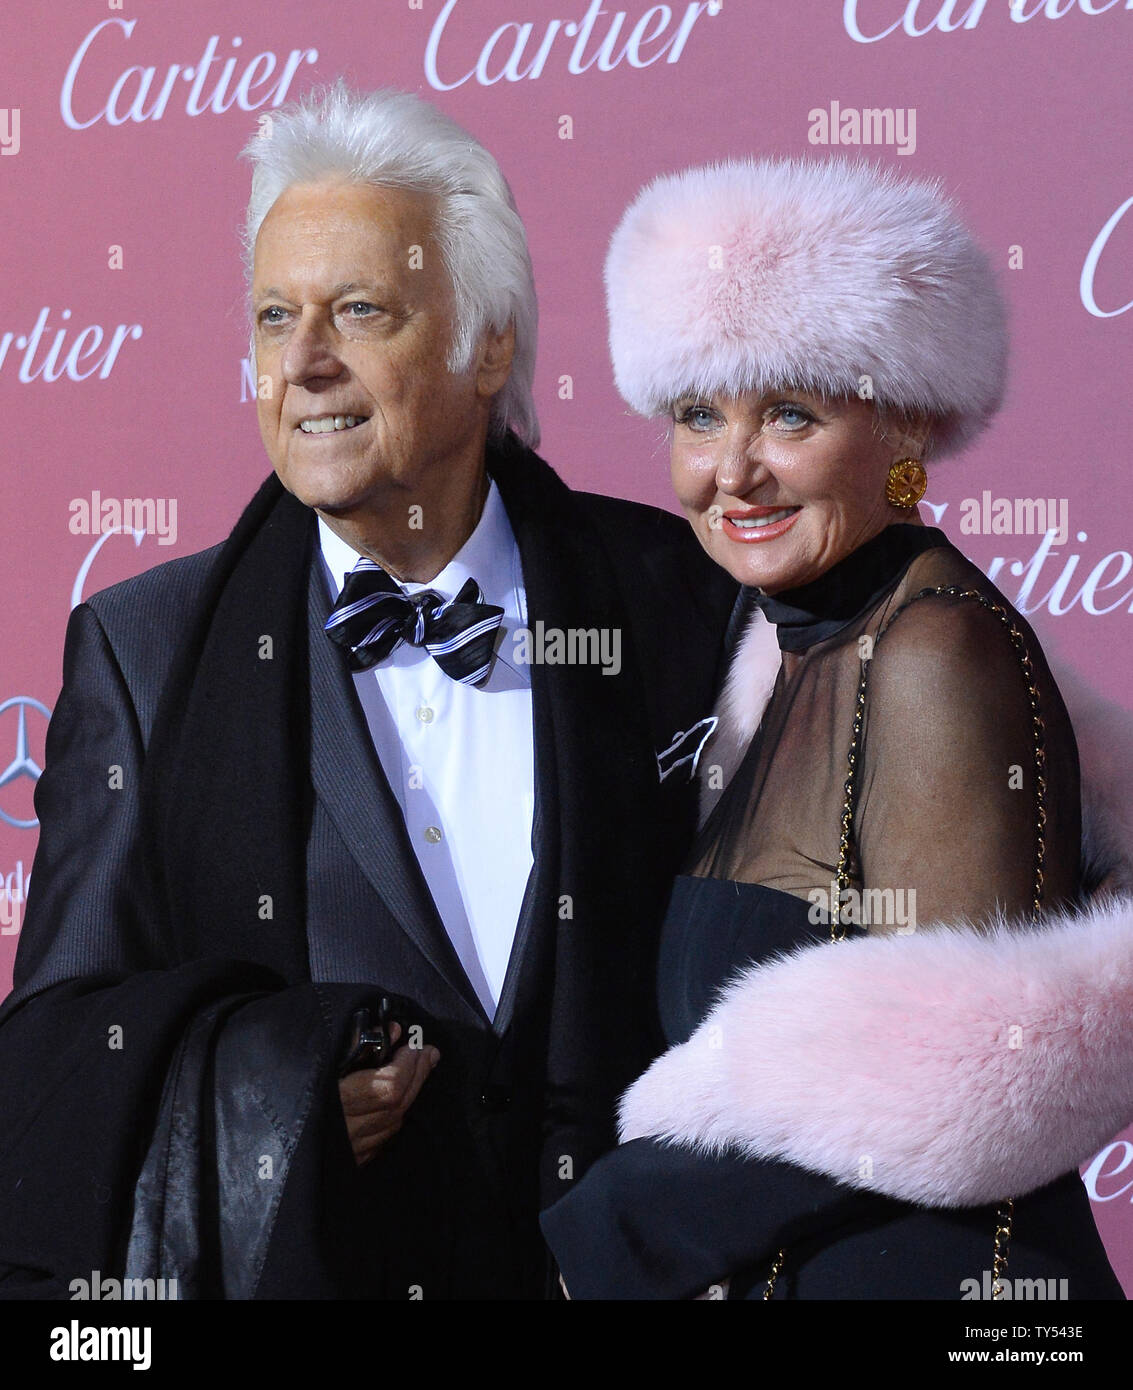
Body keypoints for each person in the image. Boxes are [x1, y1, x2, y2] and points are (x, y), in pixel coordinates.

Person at [0, 84, 738, 1300]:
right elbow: (53, 1056)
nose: (303, 363)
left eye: (356, 310)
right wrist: (265, 1093)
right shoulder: (147, 650)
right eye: (273, 316)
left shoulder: (677, 598)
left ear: (484, 340)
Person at [540, 156, 1133, 1299]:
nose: (732, 471)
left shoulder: (932, 655)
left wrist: (614, 1229)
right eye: (698, 415)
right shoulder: (785, 652)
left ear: (901, 426)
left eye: (792, 415)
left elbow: (960, 1069)